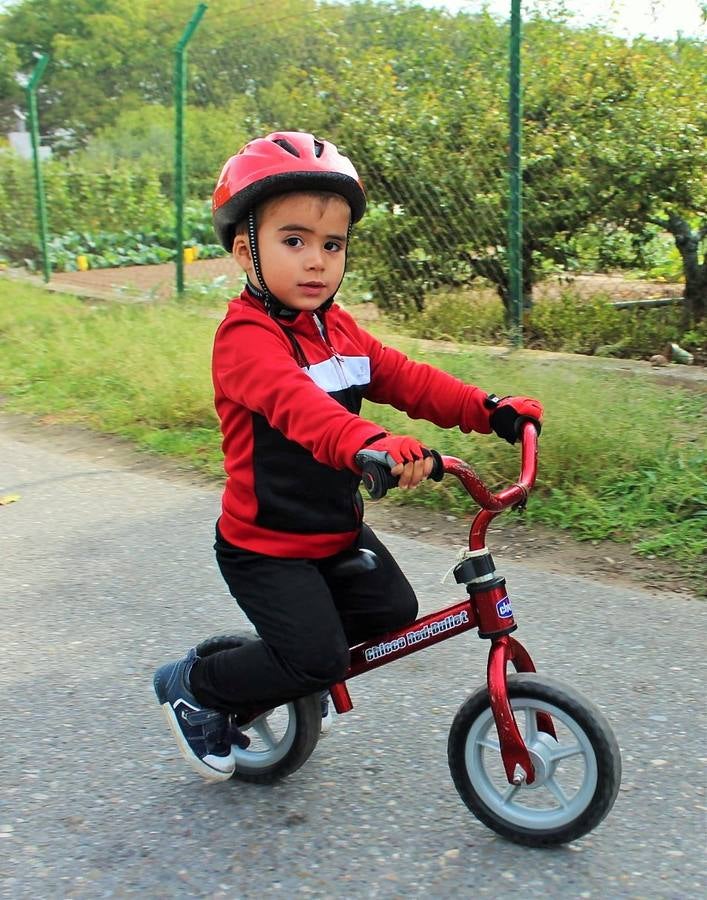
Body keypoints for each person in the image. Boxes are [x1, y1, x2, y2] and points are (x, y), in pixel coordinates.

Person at [153, 131, 543, 781]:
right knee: (316, 658)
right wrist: (369, 444)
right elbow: (303, 412)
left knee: (391, 613)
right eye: (293, 240)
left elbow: (408, 379)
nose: (316, 261)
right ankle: (196, 684)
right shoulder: (244, 341)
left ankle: (296, 661)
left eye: (331, 245)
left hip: (331, 530)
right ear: (246, 250)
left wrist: (488, 407)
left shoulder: (340, 330)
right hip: (266, 544)